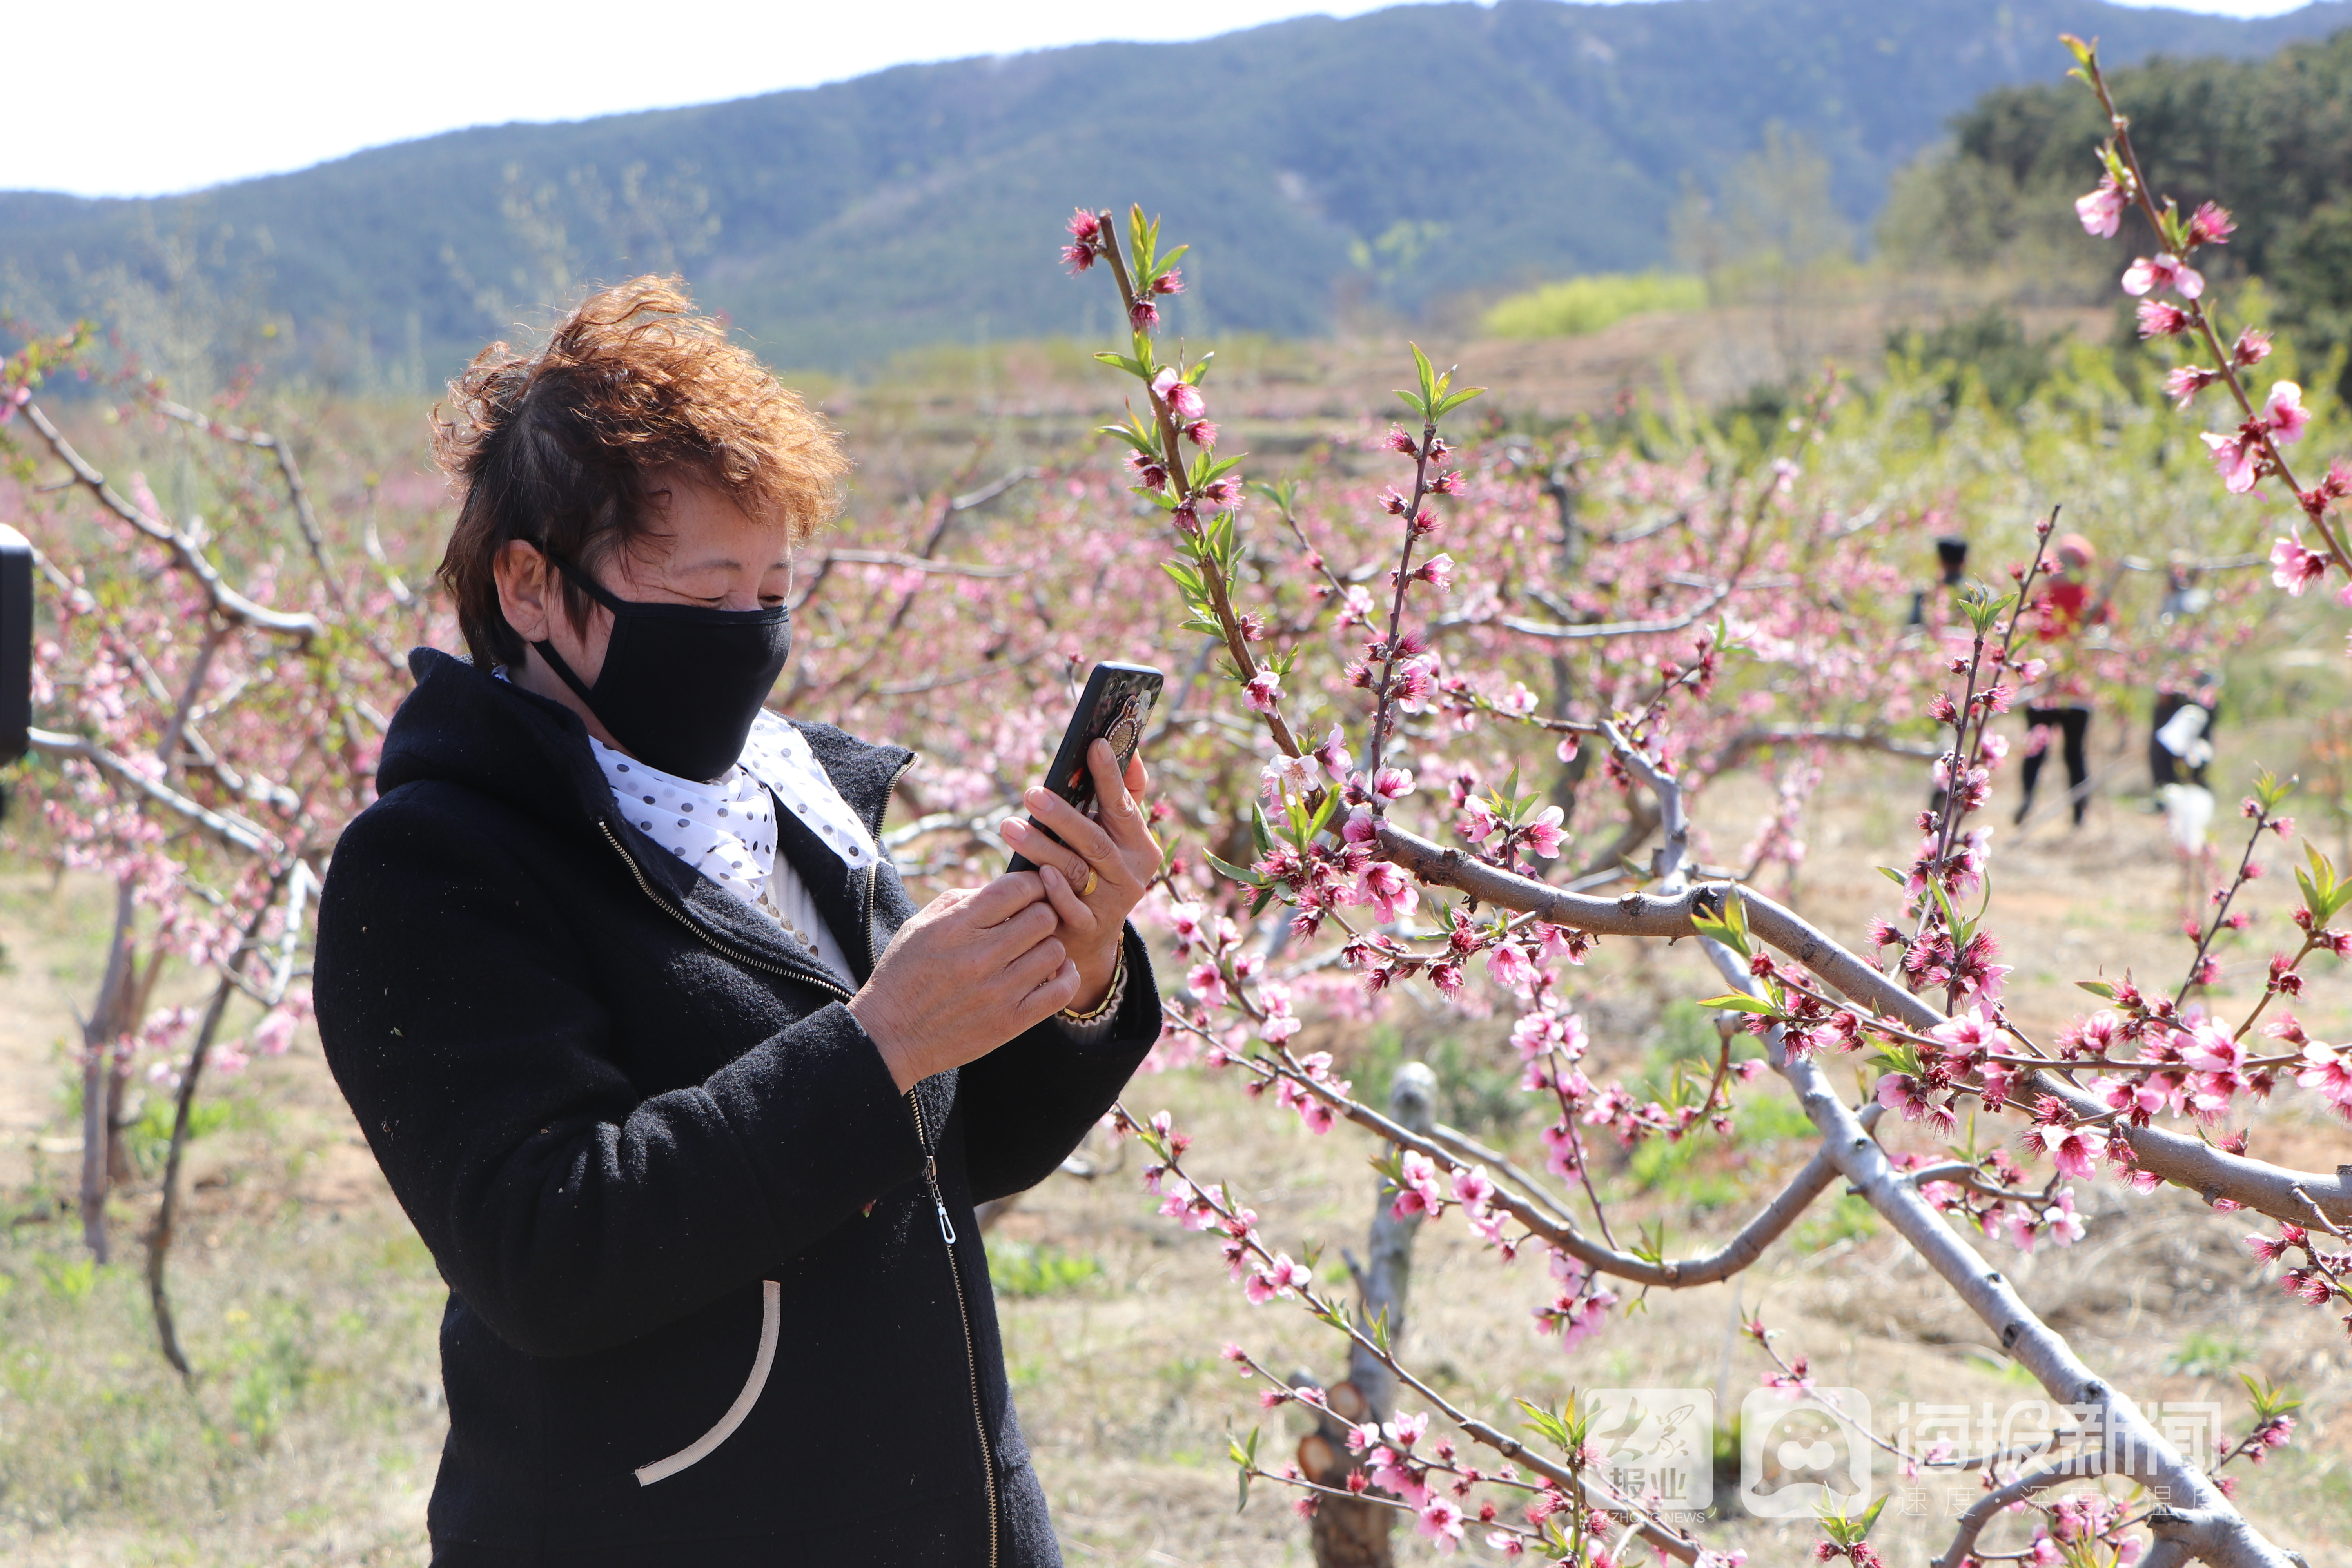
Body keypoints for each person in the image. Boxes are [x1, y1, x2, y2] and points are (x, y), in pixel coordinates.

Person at [314, 279, 1164, 1566]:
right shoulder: (436, 865)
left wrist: (1073, 981)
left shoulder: (802, 804)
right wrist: (877, 1043)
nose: (753, 636)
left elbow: (948, 1159)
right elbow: (545, 1249)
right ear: (531, 587)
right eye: (708, 599)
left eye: (774, 590)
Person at [2016, 532, 2108, 828]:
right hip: (2061, 690)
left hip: (2058, 689)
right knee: (2060, 752)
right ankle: (2061, 809)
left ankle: (2065, 809)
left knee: (2051, 751)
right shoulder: (2085, 600)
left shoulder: (2070, 599)